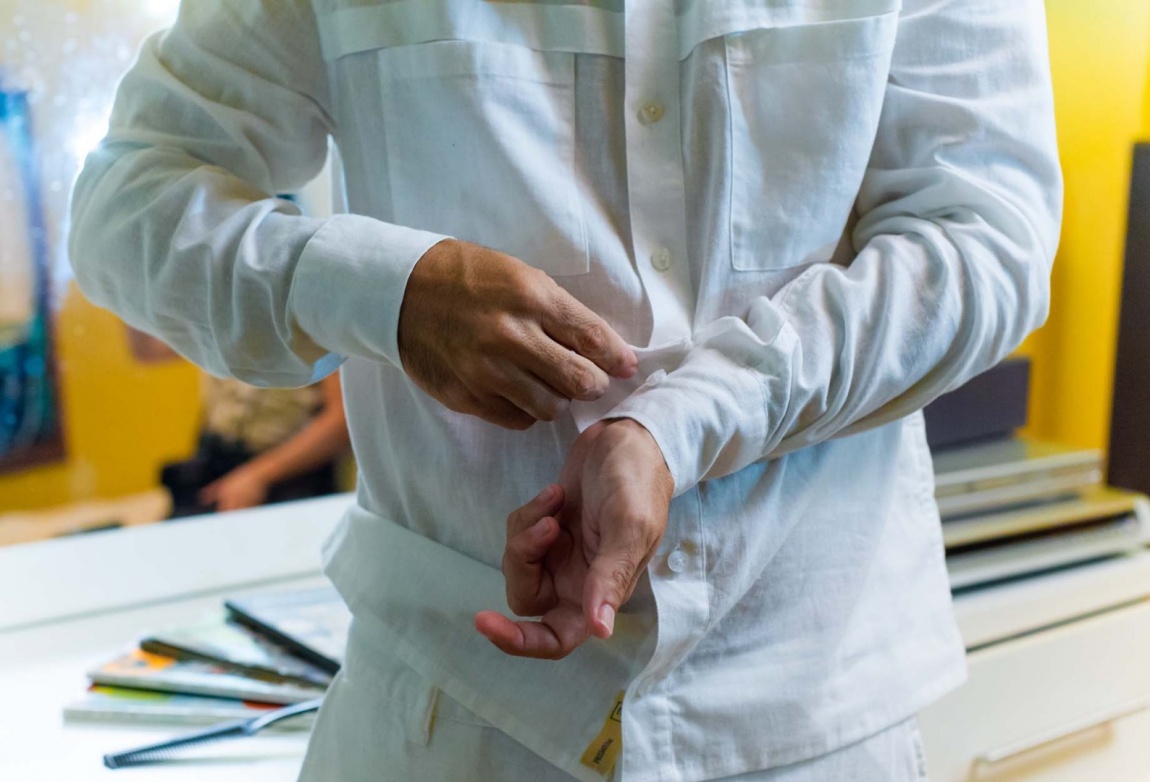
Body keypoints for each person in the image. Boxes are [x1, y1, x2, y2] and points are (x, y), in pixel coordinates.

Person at [69, 1, 1062, 779]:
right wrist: (381, 288)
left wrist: (684, 422)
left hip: (808, 706)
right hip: (447, 716)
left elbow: (986, 238)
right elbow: (129, 198)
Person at [128, 328, 350, 515]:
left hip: (290, 472)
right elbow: (148, 351)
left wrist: (258, 476)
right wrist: (122, 286)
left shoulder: (311, 314)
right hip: (217, 460)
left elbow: (342, 422)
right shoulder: (218, 304)